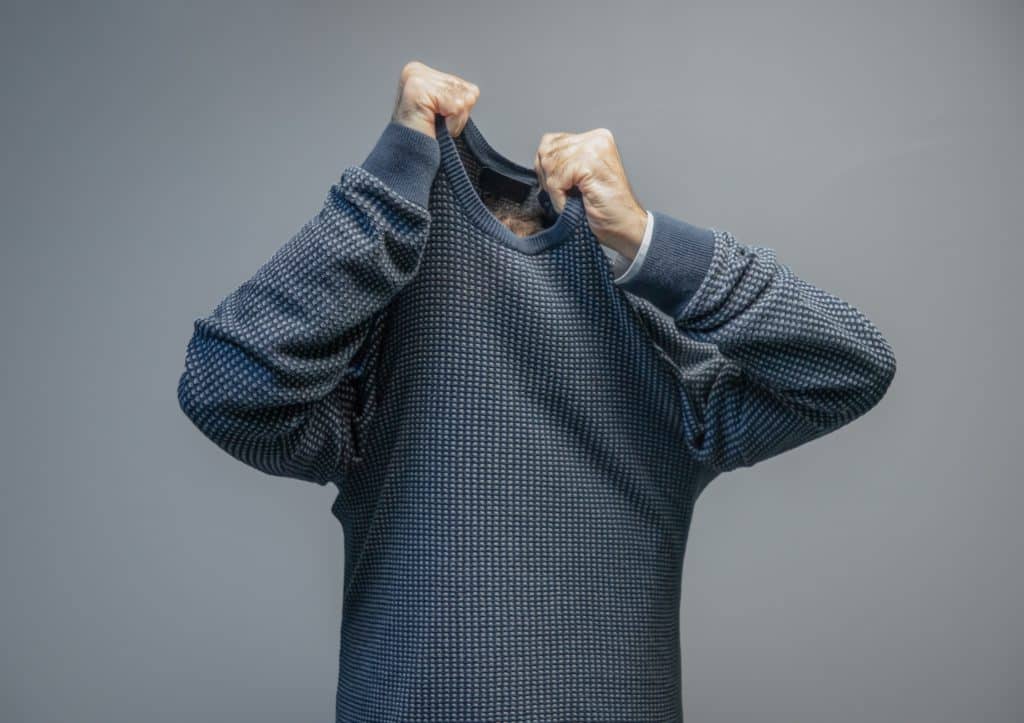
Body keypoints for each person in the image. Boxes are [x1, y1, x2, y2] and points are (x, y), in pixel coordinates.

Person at [177, 60, 896, 722]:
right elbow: (225, 385)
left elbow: (852, 364)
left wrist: (647, 240)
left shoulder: (652, 358)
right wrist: (392, 179)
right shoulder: (384, 351)